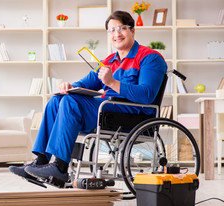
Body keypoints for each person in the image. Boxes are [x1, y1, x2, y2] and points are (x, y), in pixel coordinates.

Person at [9, 10, 167, 183]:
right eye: (112, 30)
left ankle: (60, 167)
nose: (116, 34)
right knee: (57, 100)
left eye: (121, 28)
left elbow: (147, 95)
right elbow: (84, 83)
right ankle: (41, 161)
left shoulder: (150, 57)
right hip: (107, 110)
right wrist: (69, 87)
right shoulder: (109, 61)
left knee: (71, 102)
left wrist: (112, 82)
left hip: (132, 114)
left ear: (132, 30)